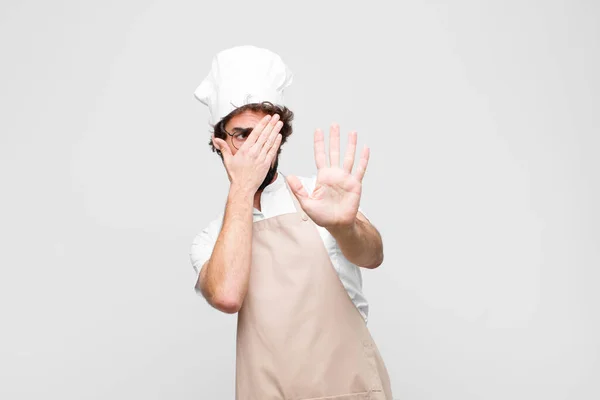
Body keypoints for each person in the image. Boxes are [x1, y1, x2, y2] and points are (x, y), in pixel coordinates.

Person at [189, 45, 393, 399]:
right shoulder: (211, 239)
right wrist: (242, 189)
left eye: (265, 134)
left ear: (281, 136)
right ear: (219, 142)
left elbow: (372, 254)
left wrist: (344, 225)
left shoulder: (318, 196)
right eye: (242, 135)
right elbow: (226, 296)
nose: (256, 148)